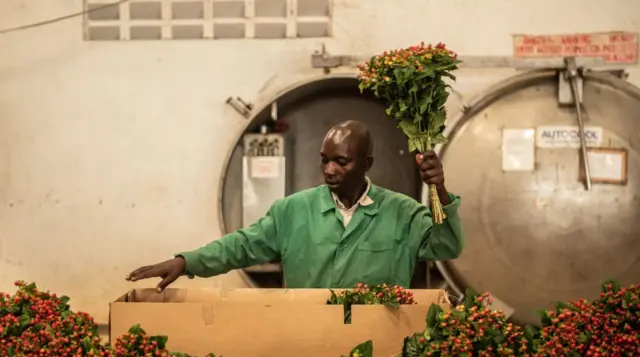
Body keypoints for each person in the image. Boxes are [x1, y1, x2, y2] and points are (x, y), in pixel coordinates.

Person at [126, 120, 464, 292]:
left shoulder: (401, 213)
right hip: (308, 344)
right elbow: (241, 246)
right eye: (324, 161)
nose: (330, 170)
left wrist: (441, 189)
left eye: (342, 162)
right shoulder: (292, 211)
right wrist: (186, 262)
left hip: (380, 354)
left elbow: (447, 244)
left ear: (367, 163)